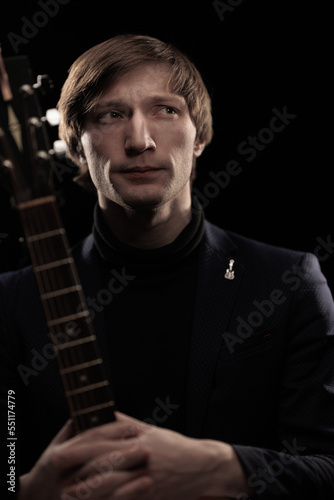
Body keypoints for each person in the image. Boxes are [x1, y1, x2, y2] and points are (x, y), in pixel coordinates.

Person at [0, 34, 333, 500]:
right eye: (111, 115)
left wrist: (223, 466)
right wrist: (26, 489)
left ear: (201, 137)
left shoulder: (289, 283)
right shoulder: (11, 303)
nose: (140, 140)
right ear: (75, 146)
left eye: (166, 110)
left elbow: (326, 467)